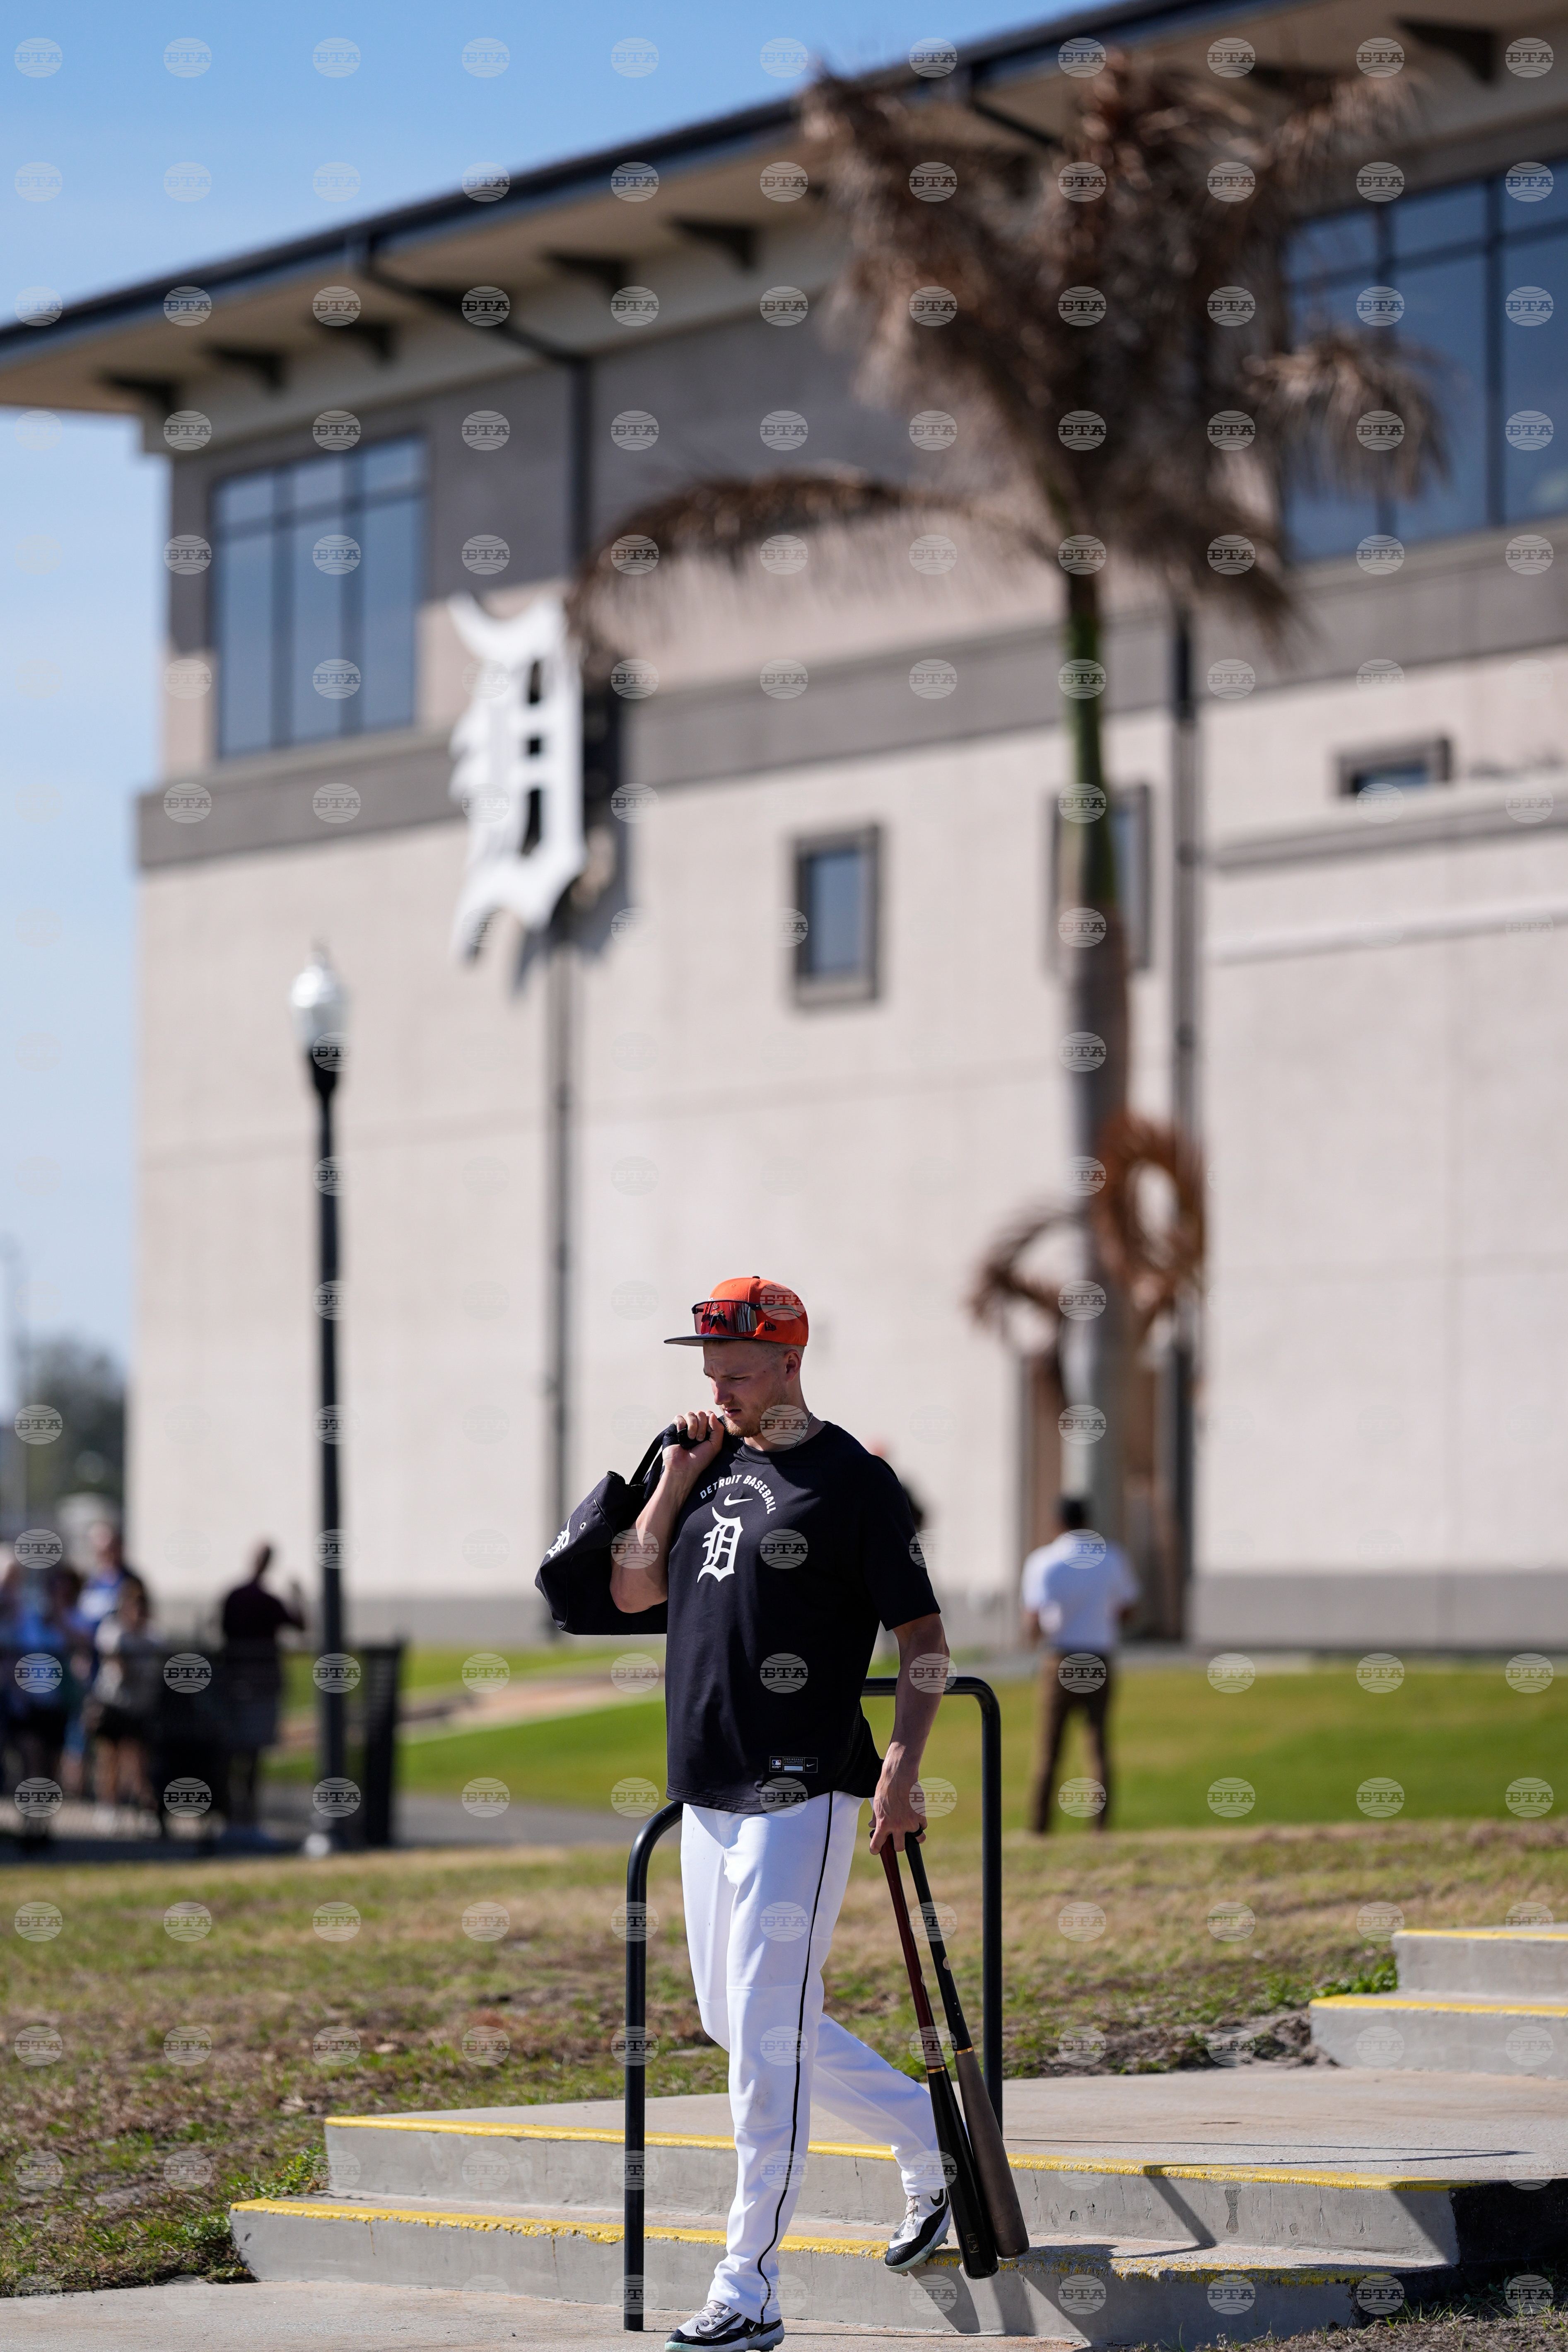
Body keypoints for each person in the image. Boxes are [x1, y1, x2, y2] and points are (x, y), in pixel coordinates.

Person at [609, 1276, 951, 2352]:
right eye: (711, 1370)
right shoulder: (709, 1464)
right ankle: (927, 2132)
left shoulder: (852, 1480)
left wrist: (900, 1764)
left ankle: (746, 2283)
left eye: (739, 1371)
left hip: (800, 1788)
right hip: (706, 1782)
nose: (720, 1387)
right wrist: (670, 1484)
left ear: (791, 1360)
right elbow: (629, 1592)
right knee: (736, 2020)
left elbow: (924, 1641)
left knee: (762, 2039)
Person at [1020, 1496, 1139, 1835]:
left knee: (1049, 1748)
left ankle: (1040, 1827)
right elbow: (1129, 1610)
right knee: (1099, 1745)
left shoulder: (1044, 1562)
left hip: (1060, 1657)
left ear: (1057, 1522)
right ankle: (1101, 1827)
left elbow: (1033, 1624)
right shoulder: (1111, 1557)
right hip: (1099, 1656)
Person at [219, 1542, 305, 1829]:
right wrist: (297, 1598)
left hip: (252, 1685)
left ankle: (243, 1814)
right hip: (249, 1684)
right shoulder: (255, 1599)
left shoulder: (246, 1598)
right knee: (245, 1753)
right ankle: (240, 1813)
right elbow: (300, 1623)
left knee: (247, 1753)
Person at [85, 1573, 164, 1825]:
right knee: (110, 1758)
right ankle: (109, 1809)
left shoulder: (154, 1636)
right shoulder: (112, 1631)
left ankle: (144, 1811)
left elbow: (154, 1671)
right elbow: (120, 1666)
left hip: (140, 1706)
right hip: (113, 1704)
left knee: (140, 1760)